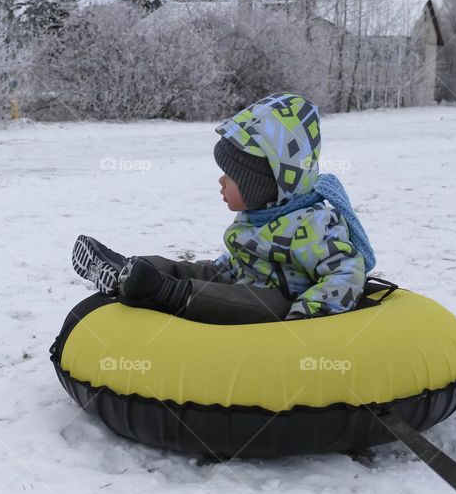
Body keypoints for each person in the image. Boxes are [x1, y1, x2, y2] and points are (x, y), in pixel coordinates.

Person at [71, 92, 376, 324]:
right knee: (196, 269)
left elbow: (347, 273)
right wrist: (220, 269)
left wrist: (304, 319)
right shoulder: (264, 215)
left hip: (278, 302)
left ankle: (159, 290)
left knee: (242, 298)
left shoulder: (314, 223)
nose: (221, 181)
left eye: (232, 177)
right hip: (242, 277)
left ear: (264, 186)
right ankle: (130, 269)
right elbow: (248, 260)